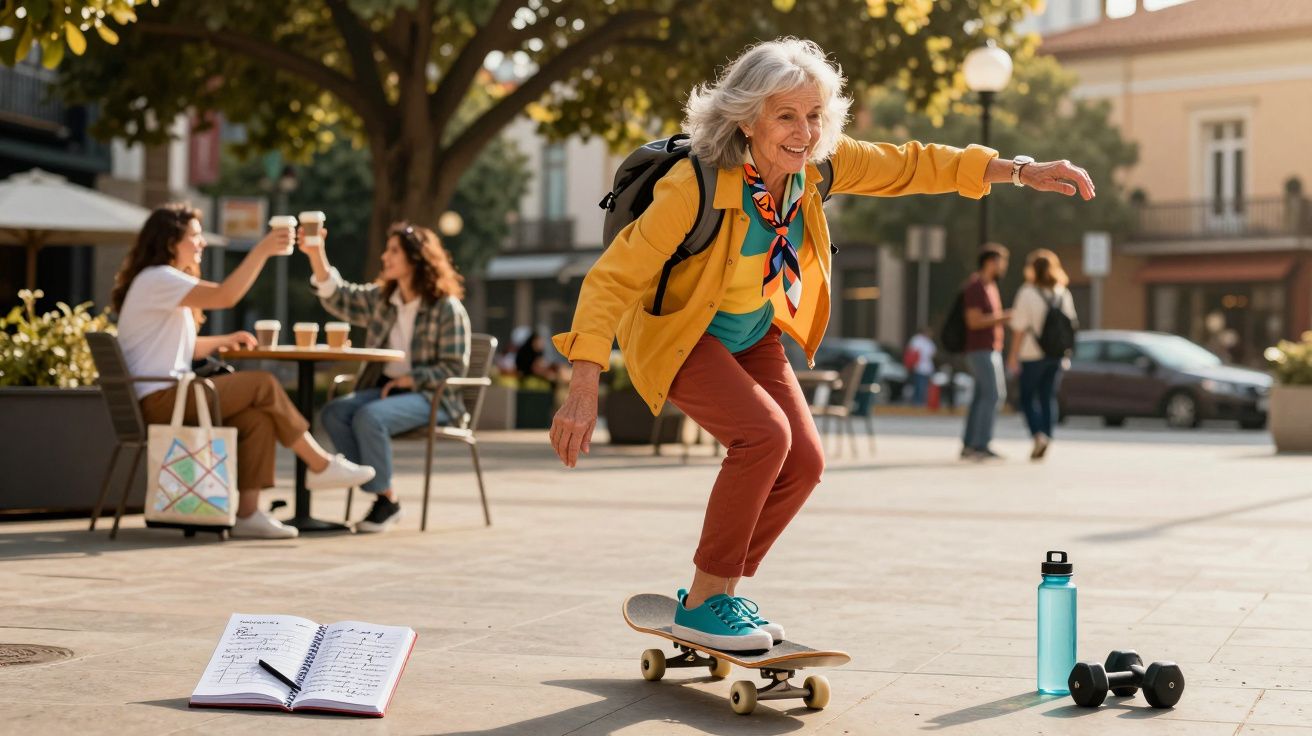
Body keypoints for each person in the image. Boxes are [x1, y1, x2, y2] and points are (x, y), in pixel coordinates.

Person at [548, 38, 1094, 651]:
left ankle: (715, 593)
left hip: (754, 332)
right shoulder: (693, 186)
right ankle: (705, 599)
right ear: (747, 118)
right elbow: (612, 278)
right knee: (764, 437)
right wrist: (583, 386)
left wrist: (1019, 171)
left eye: (814, 116)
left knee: (804, 463)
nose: (804, 132)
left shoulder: (817, 169)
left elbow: (913, 163)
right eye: (786, 115)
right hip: (681, 334)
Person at [111, 203, 376, 539]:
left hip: (167, 396)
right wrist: (262, 250)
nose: (202, 243)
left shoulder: (158, 282)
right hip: (162, 399)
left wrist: (224, 341)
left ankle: (248, 514)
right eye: (195, 236)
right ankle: (319, 463)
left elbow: (181, 349)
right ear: (169, 243)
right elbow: (226, 296)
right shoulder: (158, 278)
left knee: (257, 418)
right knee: (263, 384)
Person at [309, 223, 471, 533]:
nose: (385, 257)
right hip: (386, 392)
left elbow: (453, 369)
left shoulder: (446, 308)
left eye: (394, 250)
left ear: (417, 258)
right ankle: (385, 497)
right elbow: (338, 296)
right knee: (335, 412)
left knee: (369, 417)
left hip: (433, 397)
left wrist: (409, 380)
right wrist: (316, 252)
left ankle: (384, 501)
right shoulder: (383, 300)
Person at [1006, 249, 1078, 461]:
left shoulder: (1027, 292)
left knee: (1028, 397)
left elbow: (1019, 328)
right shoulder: (1062, 293)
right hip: (1056, 355)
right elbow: (1071, 325)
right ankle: (1048, 434)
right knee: (1048, 397)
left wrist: (1012, 355)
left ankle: (1038, 435)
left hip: (1032, 354)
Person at [960, 244, 1013, 461]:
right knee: (993, 394)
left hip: (991, 348)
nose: (1004, 266)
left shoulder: (991, 286)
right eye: (1002, 261)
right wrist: (1004, 317)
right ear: (990, 262)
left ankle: (970, 444)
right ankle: (981, 444)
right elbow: (973, 321)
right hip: (980, 349)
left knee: (981, 396)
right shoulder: (975, 287)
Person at [906, 326, 937, 406]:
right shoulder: (917, 340)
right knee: (919, 385)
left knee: (924, 386)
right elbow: (912, 352)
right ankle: (917, 402)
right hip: (918, 367)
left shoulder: (929, 341)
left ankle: (921, 401)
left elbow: (933, 353)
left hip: (927, 368)